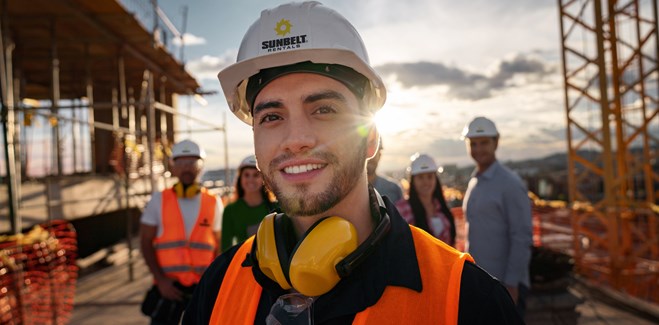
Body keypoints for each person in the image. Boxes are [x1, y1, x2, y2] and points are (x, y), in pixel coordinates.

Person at [183, 2, 522, 324]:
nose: (296, 138)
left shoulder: (467, 299)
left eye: (324, 110)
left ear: (370, 137)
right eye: (272, 116)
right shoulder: (218, 286)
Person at [139, 139, 224, 325]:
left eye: (192, 163)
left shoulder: (214, 202)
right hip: (169, 288)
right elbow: (145, 242)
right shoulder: (158, 201)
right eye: (181, 163)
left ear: (200, 167)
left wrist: (213, 282)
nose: (187, 168)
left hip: (202, 288)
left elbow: (219, 245)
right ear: (173, 167)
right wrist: (160, 280)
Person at [461, 116, 533, 318]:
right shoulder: (475, 182)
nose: (478, 149)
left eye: (484, 143)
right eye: (473, 144)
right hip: (482, 283)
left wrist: (511, 284)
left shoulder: (509, 183)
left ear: (496, 142)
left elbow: (522, 236)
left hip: (504, 285)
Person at [395, 153, 456, 247]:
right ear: (413, 180)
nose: (426, 182)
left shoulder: (441, 206)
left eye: (430, 176)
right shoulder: (402, 209)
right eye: (420, 177)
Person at [221, 154, 276, 252]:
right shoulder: (230, 211)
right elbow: (225, 250)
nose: (251, 179)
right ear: (240, 179)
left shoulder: (277, 208)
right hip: (243, 266)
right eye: (246, 175)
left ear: (264, 179)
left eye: (256, 175)